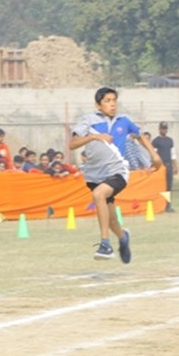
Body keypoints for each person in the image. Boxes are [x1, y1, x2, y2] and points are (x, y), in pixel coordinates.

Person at [71, 86, 163, 262]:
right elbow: (73, 144)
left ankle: (105, 245)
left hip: (118, 171)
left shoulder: (124, 121)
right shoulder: (88, 120)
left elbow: (140, 136)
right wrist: (95, 137)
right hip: (94, 175)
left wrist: (155, 156)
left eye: (114, 100)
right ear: (98, 105)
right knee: (112, 220)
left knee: (99, 194)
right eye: (107, 101)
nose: (112, 104)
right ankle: (123, 237)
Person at [151, 121, 176, 212]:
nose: (164, 130)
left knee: (168, 186)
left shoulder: (170, 141)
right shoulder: (156, 141)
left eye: (165, 128)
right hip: (160, 167)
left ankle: (168, 206)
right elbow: (154, 155)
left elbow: (173, 154)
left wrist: (175, 166)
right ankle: (159, 205)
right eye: (162, 128)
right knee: (159, 186)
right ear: (159, 129)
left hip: (168, 166)